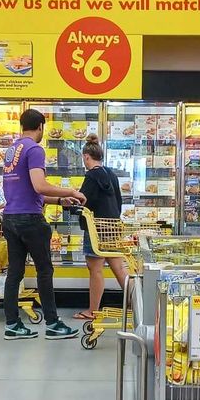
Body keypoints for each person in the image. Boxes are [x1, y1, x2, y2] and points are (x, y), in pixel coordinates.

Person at [0, 109, 87, 340]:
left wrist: (59, 200)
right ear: (40, 126)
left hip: (10, 218)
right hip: (30, 220)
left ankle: (12, 324)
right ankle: (53, 324)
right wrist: (71, 190)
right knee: (45, 271)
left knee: (15, 273)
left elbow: (27, 190)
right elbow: (39, 185)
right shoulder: (35, 149)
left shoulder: (11, 150)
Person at [75, 135, 128, 321]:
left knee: (95, 269)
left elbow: (82, 201)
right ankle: (139, 305)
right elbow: (119, 201)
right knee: (119, 269)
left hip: (96, 228)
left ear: (87, 156)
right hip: (112, 226)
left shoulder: (90, 176)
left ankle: (92, 311)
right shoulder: (111, 174)